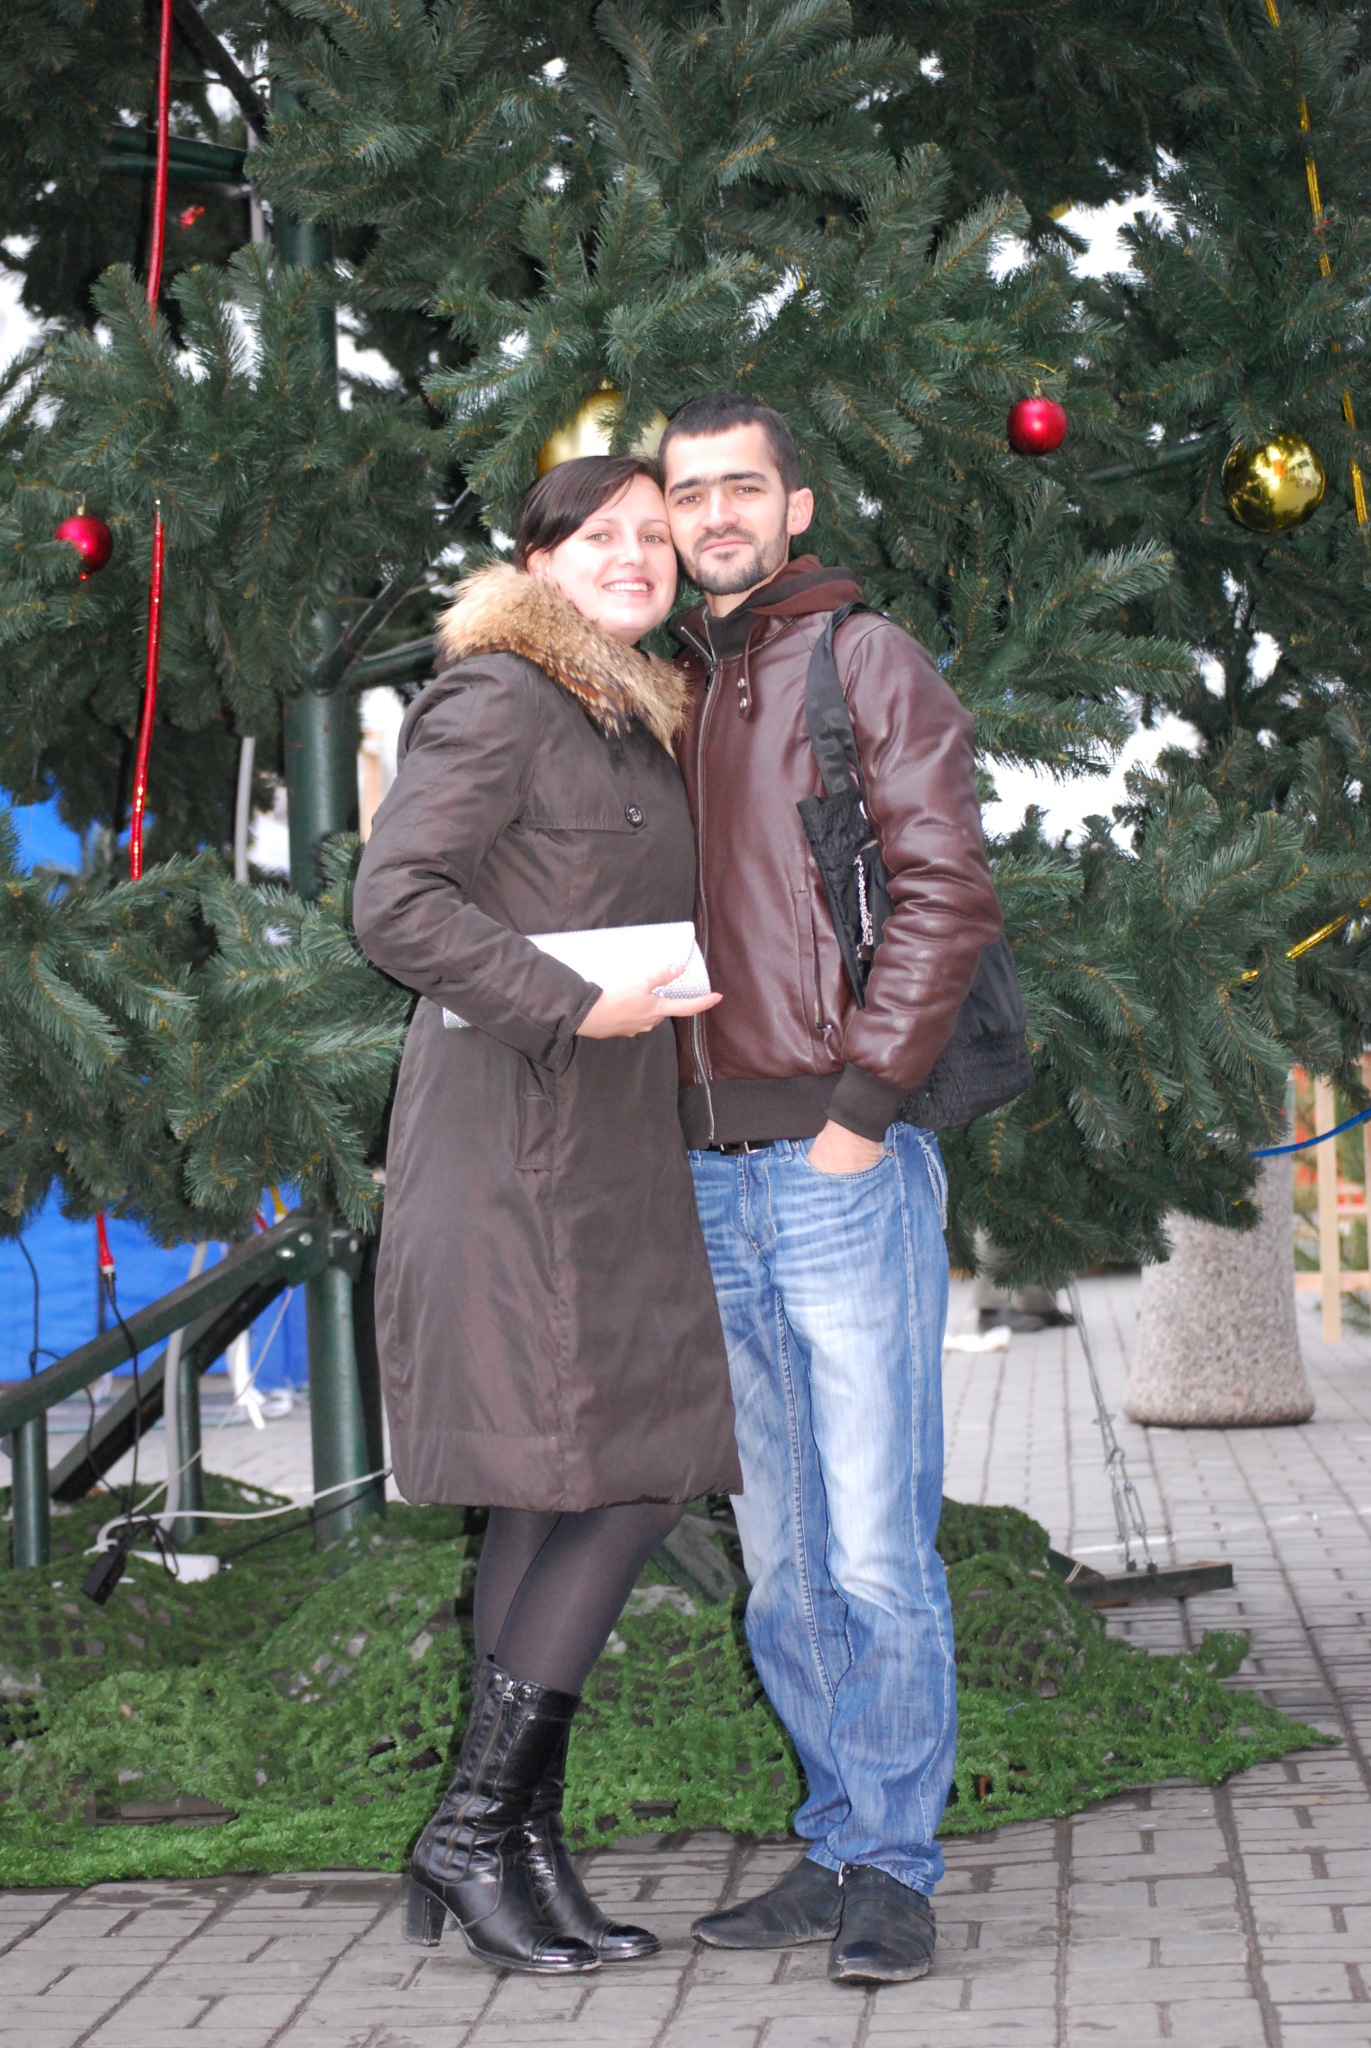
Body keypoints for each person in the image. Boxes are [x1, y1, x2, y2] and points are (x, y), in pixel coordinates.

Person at [352, 454, 740, 1978]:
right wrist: (571, 1000)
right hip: (517, 1141)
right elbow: (398, 898)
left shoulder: (634, 713)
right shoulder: (502, 695)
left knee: (564, 1487)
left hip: (611, 1146)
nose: (638, 553)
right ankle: (471, 1834)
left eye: (656, 534)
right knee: (622, 1477)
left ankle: (512, 1841)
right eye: (603, 535)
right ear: (538, 560)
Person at [658, 394, 1004, 1986]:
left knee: (871, 1548)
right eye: (690, 493)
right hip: (701, 1173)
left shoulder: (861, 660)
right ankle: (838, 1838)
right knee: (783, 1562)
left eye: (743, 487)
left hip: (836, 1162)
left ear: (794, 507)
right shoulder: (666, 685)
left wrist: (861, 1112)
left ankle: (896, 1871)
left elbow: (944, 890)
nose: (715, 514)